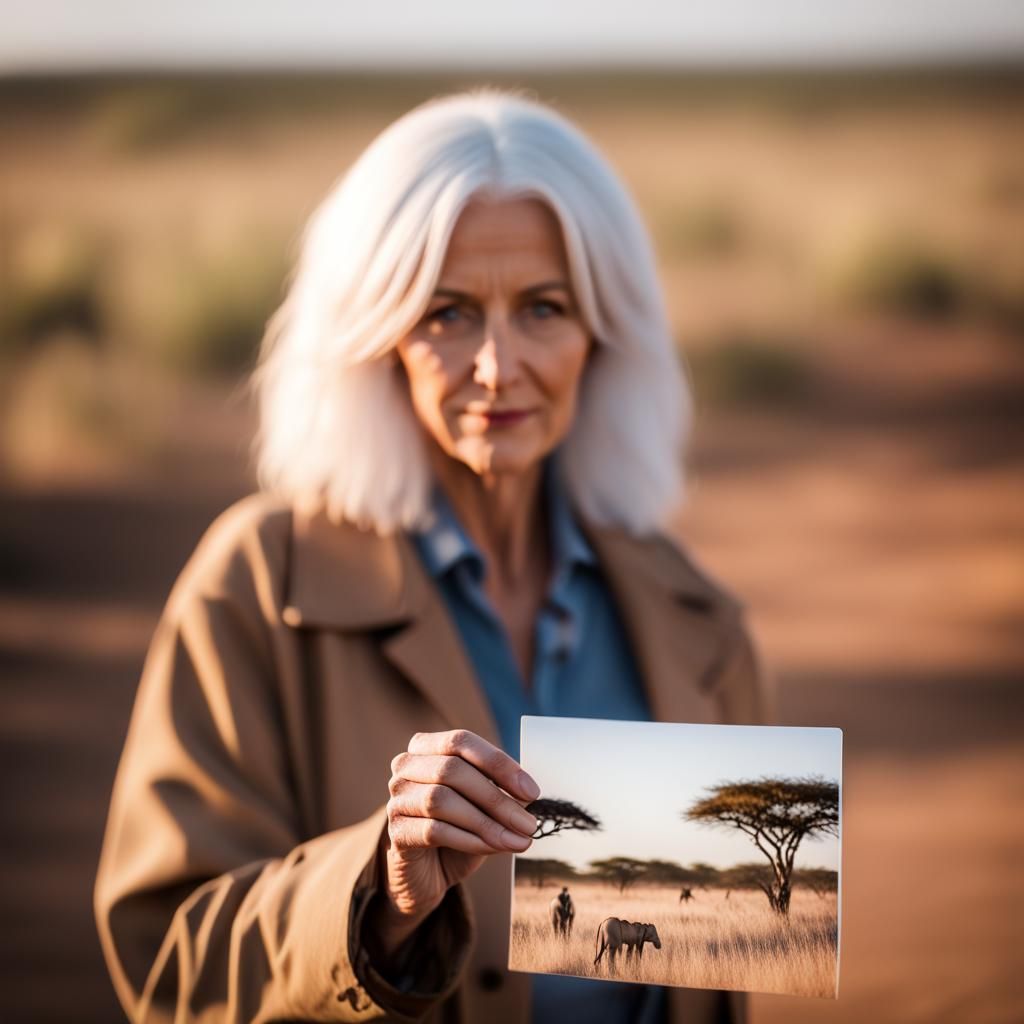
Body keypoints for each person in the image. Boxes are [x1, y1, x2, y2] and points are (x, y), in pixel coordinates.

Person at [94, 88, 771, 1024]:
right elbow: (169, 967)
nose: (497, 366)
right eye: (447, 313)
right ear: (376, 337)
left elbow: (717, 978)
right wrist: (375, 891)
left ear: (603, 333)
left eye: (543, 307)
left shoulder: (700, 622)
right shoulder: (254, 586)